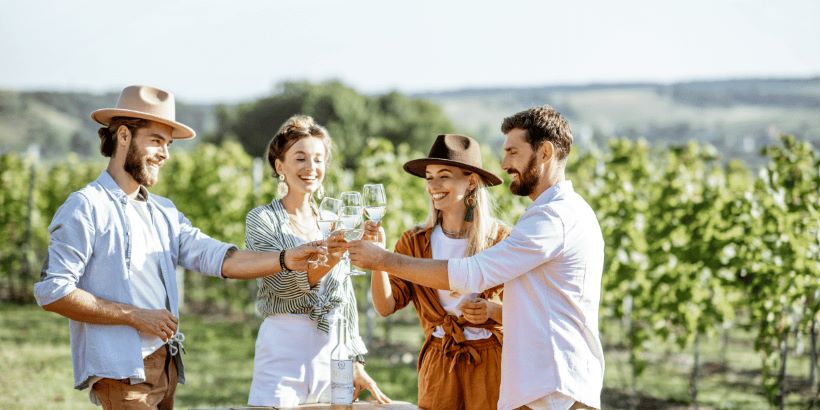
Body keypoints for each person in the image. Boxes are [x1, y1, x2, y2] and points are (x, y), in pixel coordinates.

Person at [32, 85, 324, 410]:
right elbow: (53, 291)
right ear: (124, 136)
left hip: (167, 366)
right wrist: (135, 316)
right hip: (123, 373)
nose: (165, 154)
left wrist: (286, 259)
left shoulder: (164, 212)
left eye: (168, 144)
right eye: (156, 141)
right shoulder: (86, 207)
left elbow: (218, 258)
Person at [345, 106, 605, 410]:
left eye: (512, 151)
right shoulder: (555, 214)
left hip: (553, 386)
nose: (505, 163)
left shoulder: (551, 219)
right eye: (429, 178)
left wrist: (382, 260)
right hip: (539, 383)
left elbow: (473, 273)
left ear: (545, 152)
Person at [244, 115, 390, 407]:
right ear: (279, 166)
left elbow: (344, 299)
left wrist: (355, 360)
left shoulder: (336, 222)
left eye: (318, 159)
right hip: (283, 349)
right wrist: (332, 258)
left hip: (332, 355)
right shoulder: (262, 219)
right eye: (300, 158)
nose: (311, 168)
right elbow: (281, 284)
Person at [361, 134, 509, 409]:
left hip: (491, 361)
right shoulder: (415, 241)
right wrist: (378, 259)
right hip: (441, 362)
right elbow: (385, 307)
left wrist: (491, 310)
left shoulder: (501, 240)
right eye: (429, 178)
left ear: (472, 181)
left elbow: (527, 311)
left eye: (444, 176)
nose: (434, 185)